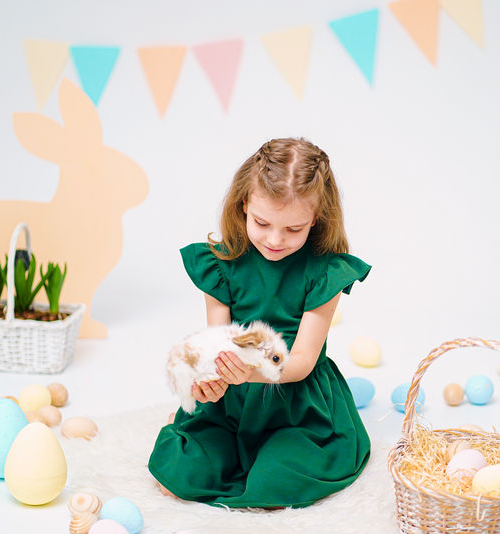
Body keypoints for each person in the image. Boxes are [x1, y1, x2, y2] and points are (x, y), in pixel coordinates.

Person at [148, 137, 371, 508]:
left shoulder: (325, 272)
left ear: (316, 220)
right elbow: (216, 344)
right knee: (178, 474)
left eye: (293, 229)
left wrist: (248, 373)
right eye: (262, 222)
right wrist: (210, 382)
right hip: (232, 406)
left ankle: (269, 456)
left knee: (273, 486)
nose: (274, 239)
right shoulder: (222, 264)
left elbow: (300, 362)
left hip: (295, 407)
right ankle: (219, 445)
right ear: (243, 206)